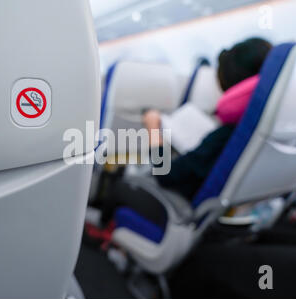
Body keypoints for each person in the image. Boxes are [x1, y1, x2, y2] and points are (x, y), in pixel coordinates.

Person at [100, 37, 272, 226]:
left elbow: (165, 174)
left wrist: (153, 129)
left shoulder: (228, 135)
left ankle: (102, 234)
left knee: (122, 186)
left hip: (182, 211)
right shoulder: (259, 129)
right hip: (216, 212)